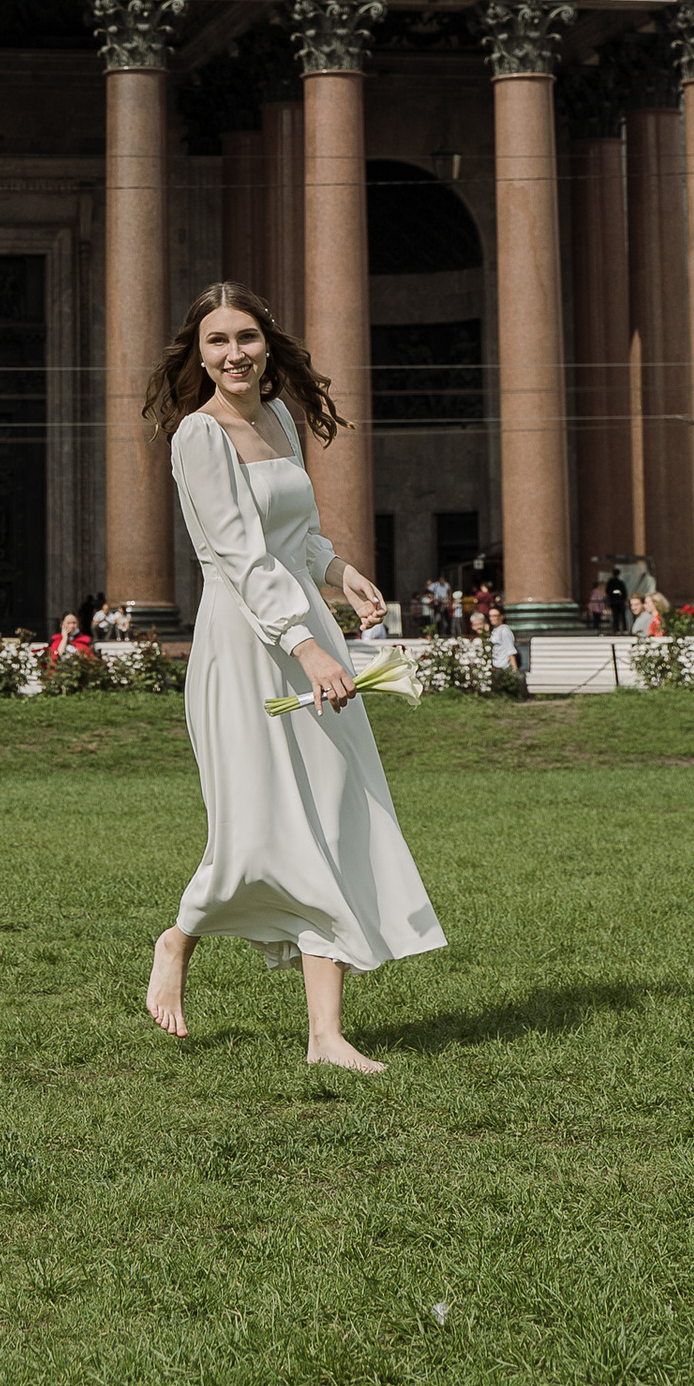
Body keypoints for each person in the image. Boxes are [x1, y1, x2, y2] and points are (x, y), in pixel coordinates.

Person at [144, 280, 445, 1071]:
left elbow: (296, 533)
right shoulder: (197, 438)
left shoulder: (278, 417)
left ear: (267, 343)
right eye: (218, 342)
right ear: (197, 354)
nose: (234, 354)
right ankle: (180, 935)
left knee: (335, 814)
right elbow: (242, 557)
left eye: (245, 337)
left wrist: (341, 574)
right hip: (245, 646)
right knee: (258, 828)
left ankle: (326, 1036)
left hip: (308, 628)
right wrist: (304, 645)